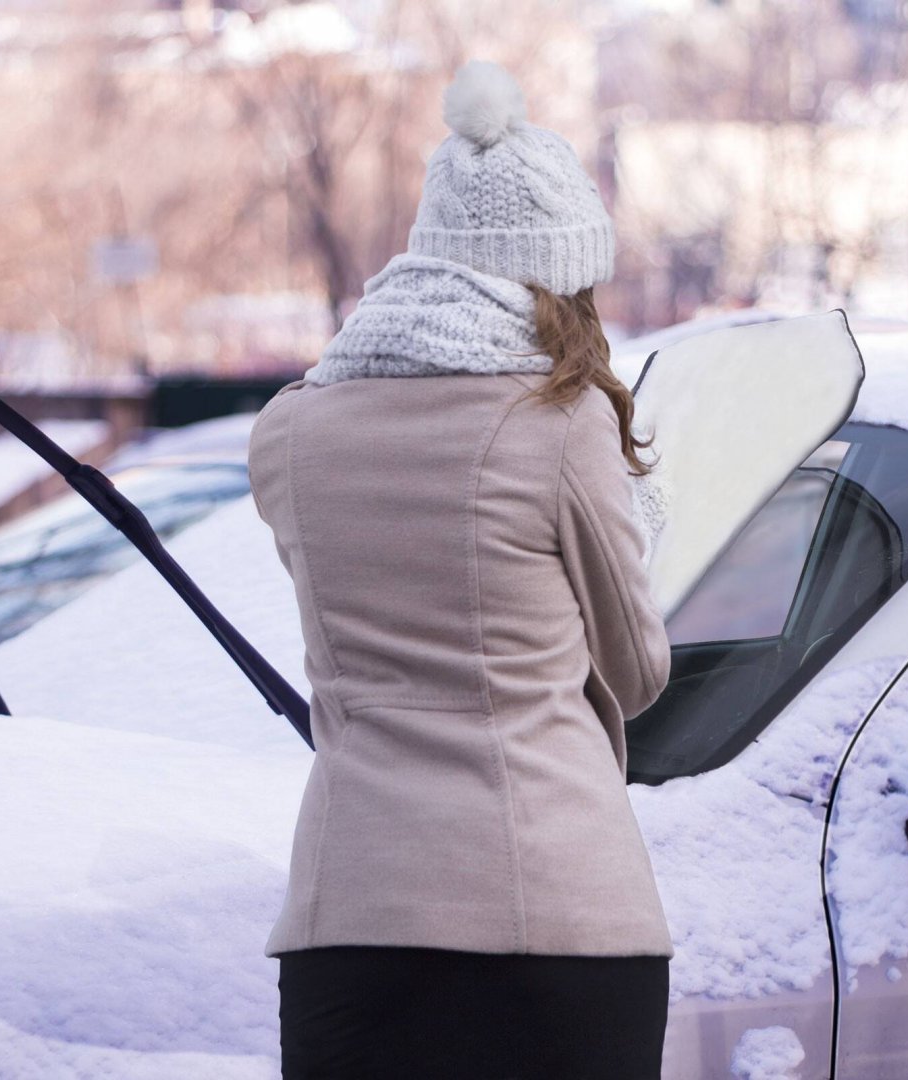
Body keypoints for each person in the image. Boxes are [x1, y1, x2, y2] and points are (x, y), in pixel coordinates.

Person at [248, 57, 674, 1080]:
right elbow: (637, 674)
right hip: (559, 917)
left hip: (349, 918)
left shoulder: (288, 430)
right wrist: (638, 523)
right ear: (553, 277)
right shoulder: (561, 428)